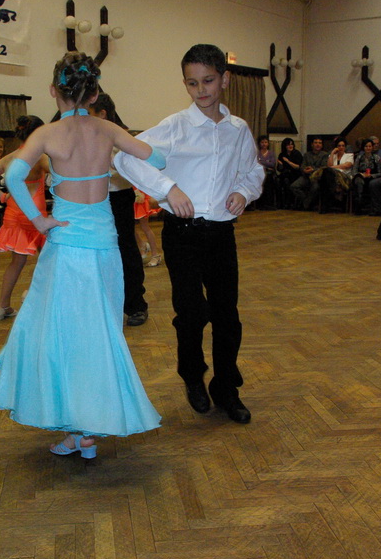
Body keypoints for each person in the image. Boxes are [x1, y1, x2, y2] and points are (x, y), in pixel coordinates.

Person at [0, 51, 194, 458]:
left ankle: (77, 430)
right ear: (95, 92)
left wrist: (39, 220)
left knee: (65, 334)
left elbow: (12, 174)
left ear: (54, 90)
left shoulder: (47, 134)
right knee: (99, 331)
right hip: (104, 243)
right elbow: (156, 158)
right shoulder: (108, 128)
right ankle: (86, 431)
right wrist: (120, 154)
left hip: (66, 243)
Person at [115, 43, 265, 424]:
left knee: (227, 316)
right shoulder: (174, 127)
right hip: (182, 234)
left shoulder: (238, 130)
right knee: (191, 312)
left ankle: (226, 388)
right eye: (192, 83)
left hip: (221, 235)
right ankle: (193, 376)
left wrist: (243, 191)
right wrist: (168, 189)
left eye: (208, 81)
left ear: (225, 80)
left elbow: (253, 171)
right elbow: (124, 156)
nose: (201, 90)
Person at [0, 115, 48, 321]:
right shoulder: (40, 157)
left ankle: (3, 305)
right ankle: (32, 293)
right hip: (33, 212)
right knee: (49, 257)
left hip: (13, 212)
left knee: (17, 262)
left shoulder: (10, 157)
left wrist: (3, 197)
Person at [91, 93, 150, 327]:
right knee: (99, 251)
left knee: (126, 248)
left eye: (90, 113)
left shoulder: (120, 136)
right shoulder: (88, 135)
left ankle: (136, 305)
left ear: (102, 113)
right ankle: (105, 305)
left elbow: (131, 170)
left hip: (118, 198)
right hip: (95, 199)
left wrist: (106, 168)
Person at [319, 136, 353, 213]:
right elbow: (329, 164)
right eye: (339, 146)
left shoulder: (349, 155)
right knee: (327, 174)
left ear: (345, 147)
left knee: (327, 173)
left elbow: (346, 165)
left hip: (343, 176)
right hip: (332, 176)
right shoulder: (332, 156)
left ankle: (327, 203)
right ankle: (331, 196)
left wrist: (332, 167)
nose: (341, 147)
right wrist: (332, 153)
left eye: (343, 146)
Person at [291, 137, 326, 210]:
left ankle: (306, 204)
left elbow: (324, 167)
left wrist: (313, 169)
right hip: (306, 176)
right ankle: (307, 201)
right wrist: (304, 170)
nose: (318, 145)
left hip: (317, 177)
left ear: (322, 145)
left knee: (315, 187)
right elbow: (302, 166)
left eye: (320, 143)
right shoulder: (307, 155)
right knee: (294, 186)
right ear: (312, 144)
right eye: (316, 143)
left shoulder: (325, 155)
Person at [133, 189, 162, 267]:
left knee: (145, 226)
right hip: (129, 193)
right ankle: (142, 245)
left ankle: (155, 255)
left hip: (140, 194)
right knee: (129, 226)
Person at [352, 138, 380, 214]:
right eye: (366, 146)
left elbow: (380, 172)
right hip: (361, 177)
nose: (368, 148)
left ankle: (374, 207)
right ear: (363, 148)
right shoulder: (359, 157)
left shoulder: (376, 158)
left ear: (372, 147)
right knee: (358, 181)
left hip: (372, 178)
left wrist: (371, 175)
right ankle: (359, 202)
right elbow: (354, 171)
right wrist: (361, 174)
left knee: (373, 183)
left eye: (369, 146)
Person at [275, 138, 302, 209]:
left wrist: (288, 161)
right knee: (277, 181)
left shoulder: (297, 153)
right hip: (285, 174)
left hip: (295, 174)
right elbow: (279, 169)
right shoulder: (282, 155)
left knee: (286, 181)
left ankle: (289, 203)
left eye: (291, 144)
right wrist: (280, 164)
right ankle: (280, 203)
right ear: (285, 146)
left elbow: (298, 167)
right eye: (288, 145)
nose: (290, 146)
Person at [254, 135, 277, 210]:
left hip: (269, 173)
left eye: (266, 142)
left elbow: (272, 164)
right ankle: (260, 204)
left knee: (268, 180)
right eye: (262, 142)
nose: (264, 144)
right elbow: (255, 163)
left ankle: (268, 204)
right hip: (258, 173)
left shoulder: (271, 153)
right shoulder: (256, 153)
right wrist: (266, 162)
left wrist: (261, 162)